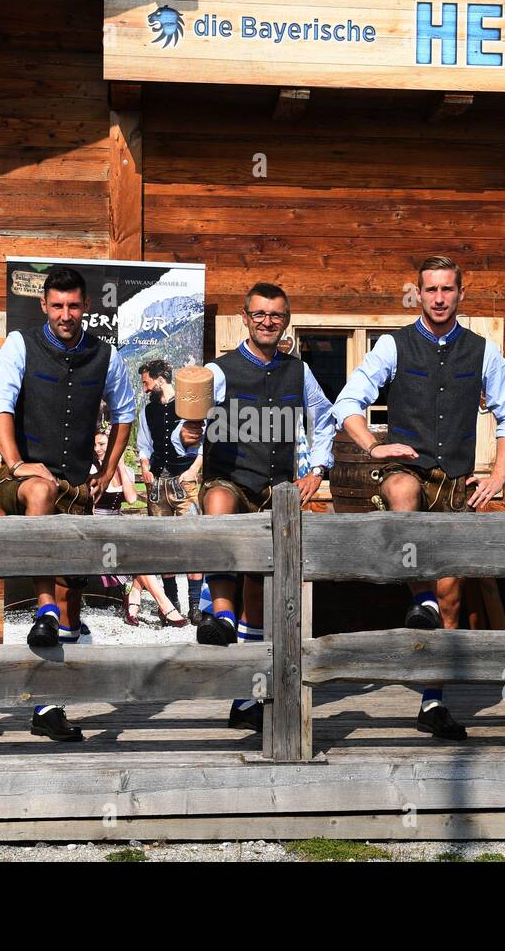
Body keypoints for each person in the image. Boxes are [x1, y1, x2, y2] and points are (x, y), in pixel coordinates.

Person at [333, 255, 505, 741]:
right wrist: (374, 445)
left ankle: (432, 701)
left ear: (461, 293)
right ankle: (422, 599)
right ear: (418, 293)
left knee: (452, 596)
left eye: (447, 290)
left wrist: (498, 473)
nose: (438, 298)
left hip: (455, 480)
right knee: (402, 491)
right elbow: (347, 403)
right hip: (405, 465)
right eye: (430, 290)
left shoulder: (483, 352)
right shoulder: (394, 345)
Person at [0, 266, 136, 742]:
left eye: (73, 306)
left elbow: (126, 412)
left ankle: (49, 707)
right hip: (25, 478)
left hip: (76, 483)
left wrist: (108, 471)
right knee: (41, 492)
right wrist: (16, 463)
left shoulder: (104, 355)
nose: (66, 314)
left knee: (74, 597)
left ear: (84, 306)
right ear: (43, 306)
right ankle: (42, 609)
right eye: (57, 306)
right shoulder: (20, 344)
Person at [180, 281, 335, 732]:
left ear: (286, 320)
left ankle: (246, 700)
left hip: (277, 488)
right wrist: (188, 435)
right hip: (231, 479)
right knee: (220, 506)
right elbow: (188, 424)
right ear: (244, 318)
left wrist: (318, 469)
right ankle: (220, 615)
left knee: (260, 591)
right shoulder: (221, 370)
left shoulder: (298, 372)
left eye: (277, 315)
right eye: (260, 314)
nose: (268, 321)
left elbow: (323, 418)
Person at [94, 427, 188, 627]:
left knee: (141, 550)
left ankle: (133, 601)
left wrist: (118, 463)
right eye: (95, 445)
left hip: (118, 526)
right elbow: (92, 505)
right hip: (98, 530)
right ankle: (165, 605)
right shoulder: (92, 471)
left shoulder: (123, 470)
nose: (98, 449)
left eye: (102, 444)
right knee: (132, 553)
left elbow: (131, 497)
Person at [137, 359, 204, 623]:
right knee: (162, 545)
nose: (144, 388)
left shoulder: (188, 404)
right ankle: (172, 603)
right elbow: (144, 443)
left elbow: (204, 442)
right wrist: (144, 466)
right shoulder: (148, 410)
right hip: (158, 484)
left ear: (159, 380)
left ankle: (195, 607)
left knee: (193, 544)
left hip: (184, 481)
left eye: (146, 382)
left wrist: (193, 471)